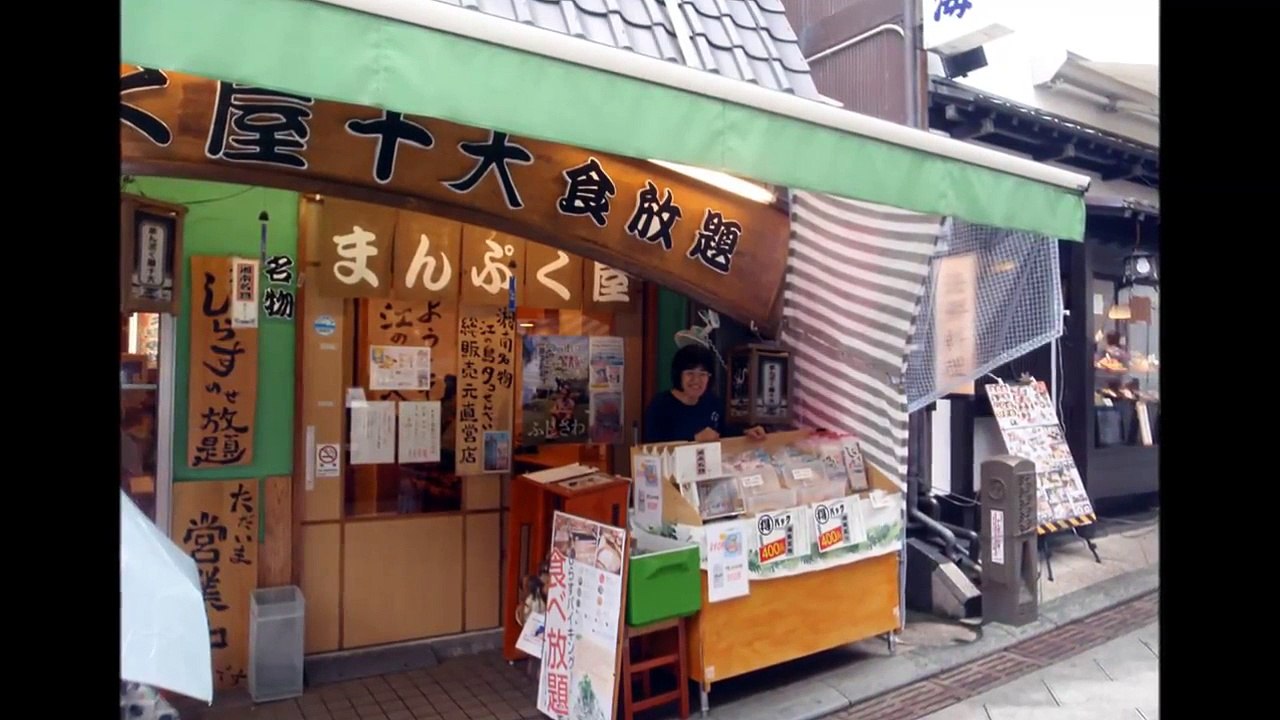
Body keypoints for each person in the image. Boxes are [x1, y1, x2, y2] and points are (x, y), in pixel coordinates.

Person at [643, 344, 765, 444]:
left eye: (703, 374)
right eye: (690, 373)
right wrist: (693, 439)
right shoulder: (660, 406)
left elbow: (725, 432)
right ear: (678, 375)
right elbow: (652, 446)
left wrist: (746, 432)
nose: (696, 380)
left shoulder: (712, 402)